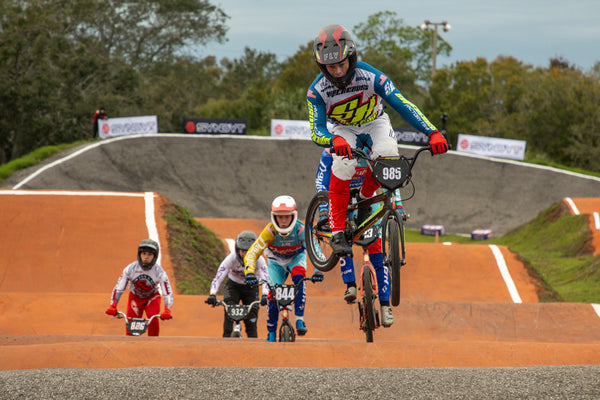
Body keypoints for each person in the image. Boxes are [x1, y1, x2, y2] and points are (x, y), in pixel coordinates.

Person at [307, 24, 448, 256]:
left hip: (376, 122)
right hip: (343, 129)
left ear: (351, 58)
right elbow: (316, 130)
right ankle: (337, 232)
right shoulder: (316, 91)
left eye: (342, 64)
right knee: (342, 165)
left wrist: (432, 132)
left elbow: (403, 105)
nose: (339, 71)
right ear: (323, 66)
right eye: (332, 67)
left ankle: (364, 198)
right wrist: (333, 141)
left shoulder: (372, 76)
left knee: (389, 155)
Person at [315, 143, 405, 327]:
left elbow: (390, 180)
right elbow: (321, 182)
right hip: (342, 200)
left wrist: (399, 205)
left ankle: (386, 306)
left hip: (367, 201)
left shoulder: (375, 150)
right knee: (342, 240)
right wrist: (324, 209)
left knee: (377, 255)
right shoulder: (330, 153)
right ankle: (350, 285)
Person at [243, 195, 324, 342]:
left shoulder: (300, 229)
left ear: (294, 216)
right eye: (280, 217)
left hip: (296, 258)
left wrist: (319, 270)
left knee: (300, 279)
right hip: (275, 262)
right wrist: (249, 272)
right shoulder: (270, 231)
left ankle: (300, 319)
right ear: (274, 217)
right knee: (272, 294)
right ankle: (271, 332)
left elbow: (315, 249)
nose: (284, 220)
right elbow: (252, 252)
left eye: (287, 216)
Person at [205, 230, 269, 338]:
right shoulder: (231, 258)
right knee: (228, 315)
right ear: (237, 250)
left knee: (251, 322)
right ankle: (226, 342)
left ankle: (253, 348)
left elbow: (266, 278)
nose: (245, 255)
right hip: (233, 286)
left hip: (251, 288)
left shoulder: (260, 260)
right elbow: (218, 277)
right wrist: (212, 294)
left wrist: (265, 295)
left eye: (248, 251)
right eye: (242, 251)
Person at [105, 239, 173, 336]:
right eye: (144, 253)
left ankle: (153, 343)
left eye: (149, 254)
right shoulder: (130, 269)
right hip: (135, 297)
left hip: (152, 297)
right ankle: (131, 346)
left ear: (154, 256)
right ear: (139, 254)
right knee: (131, 324)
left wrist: (167, 309)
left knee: (152, 318)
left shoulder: (160, 272)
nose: (146, 257)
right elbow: (119, 288)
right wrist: (113, 305)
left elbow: (167, 292)